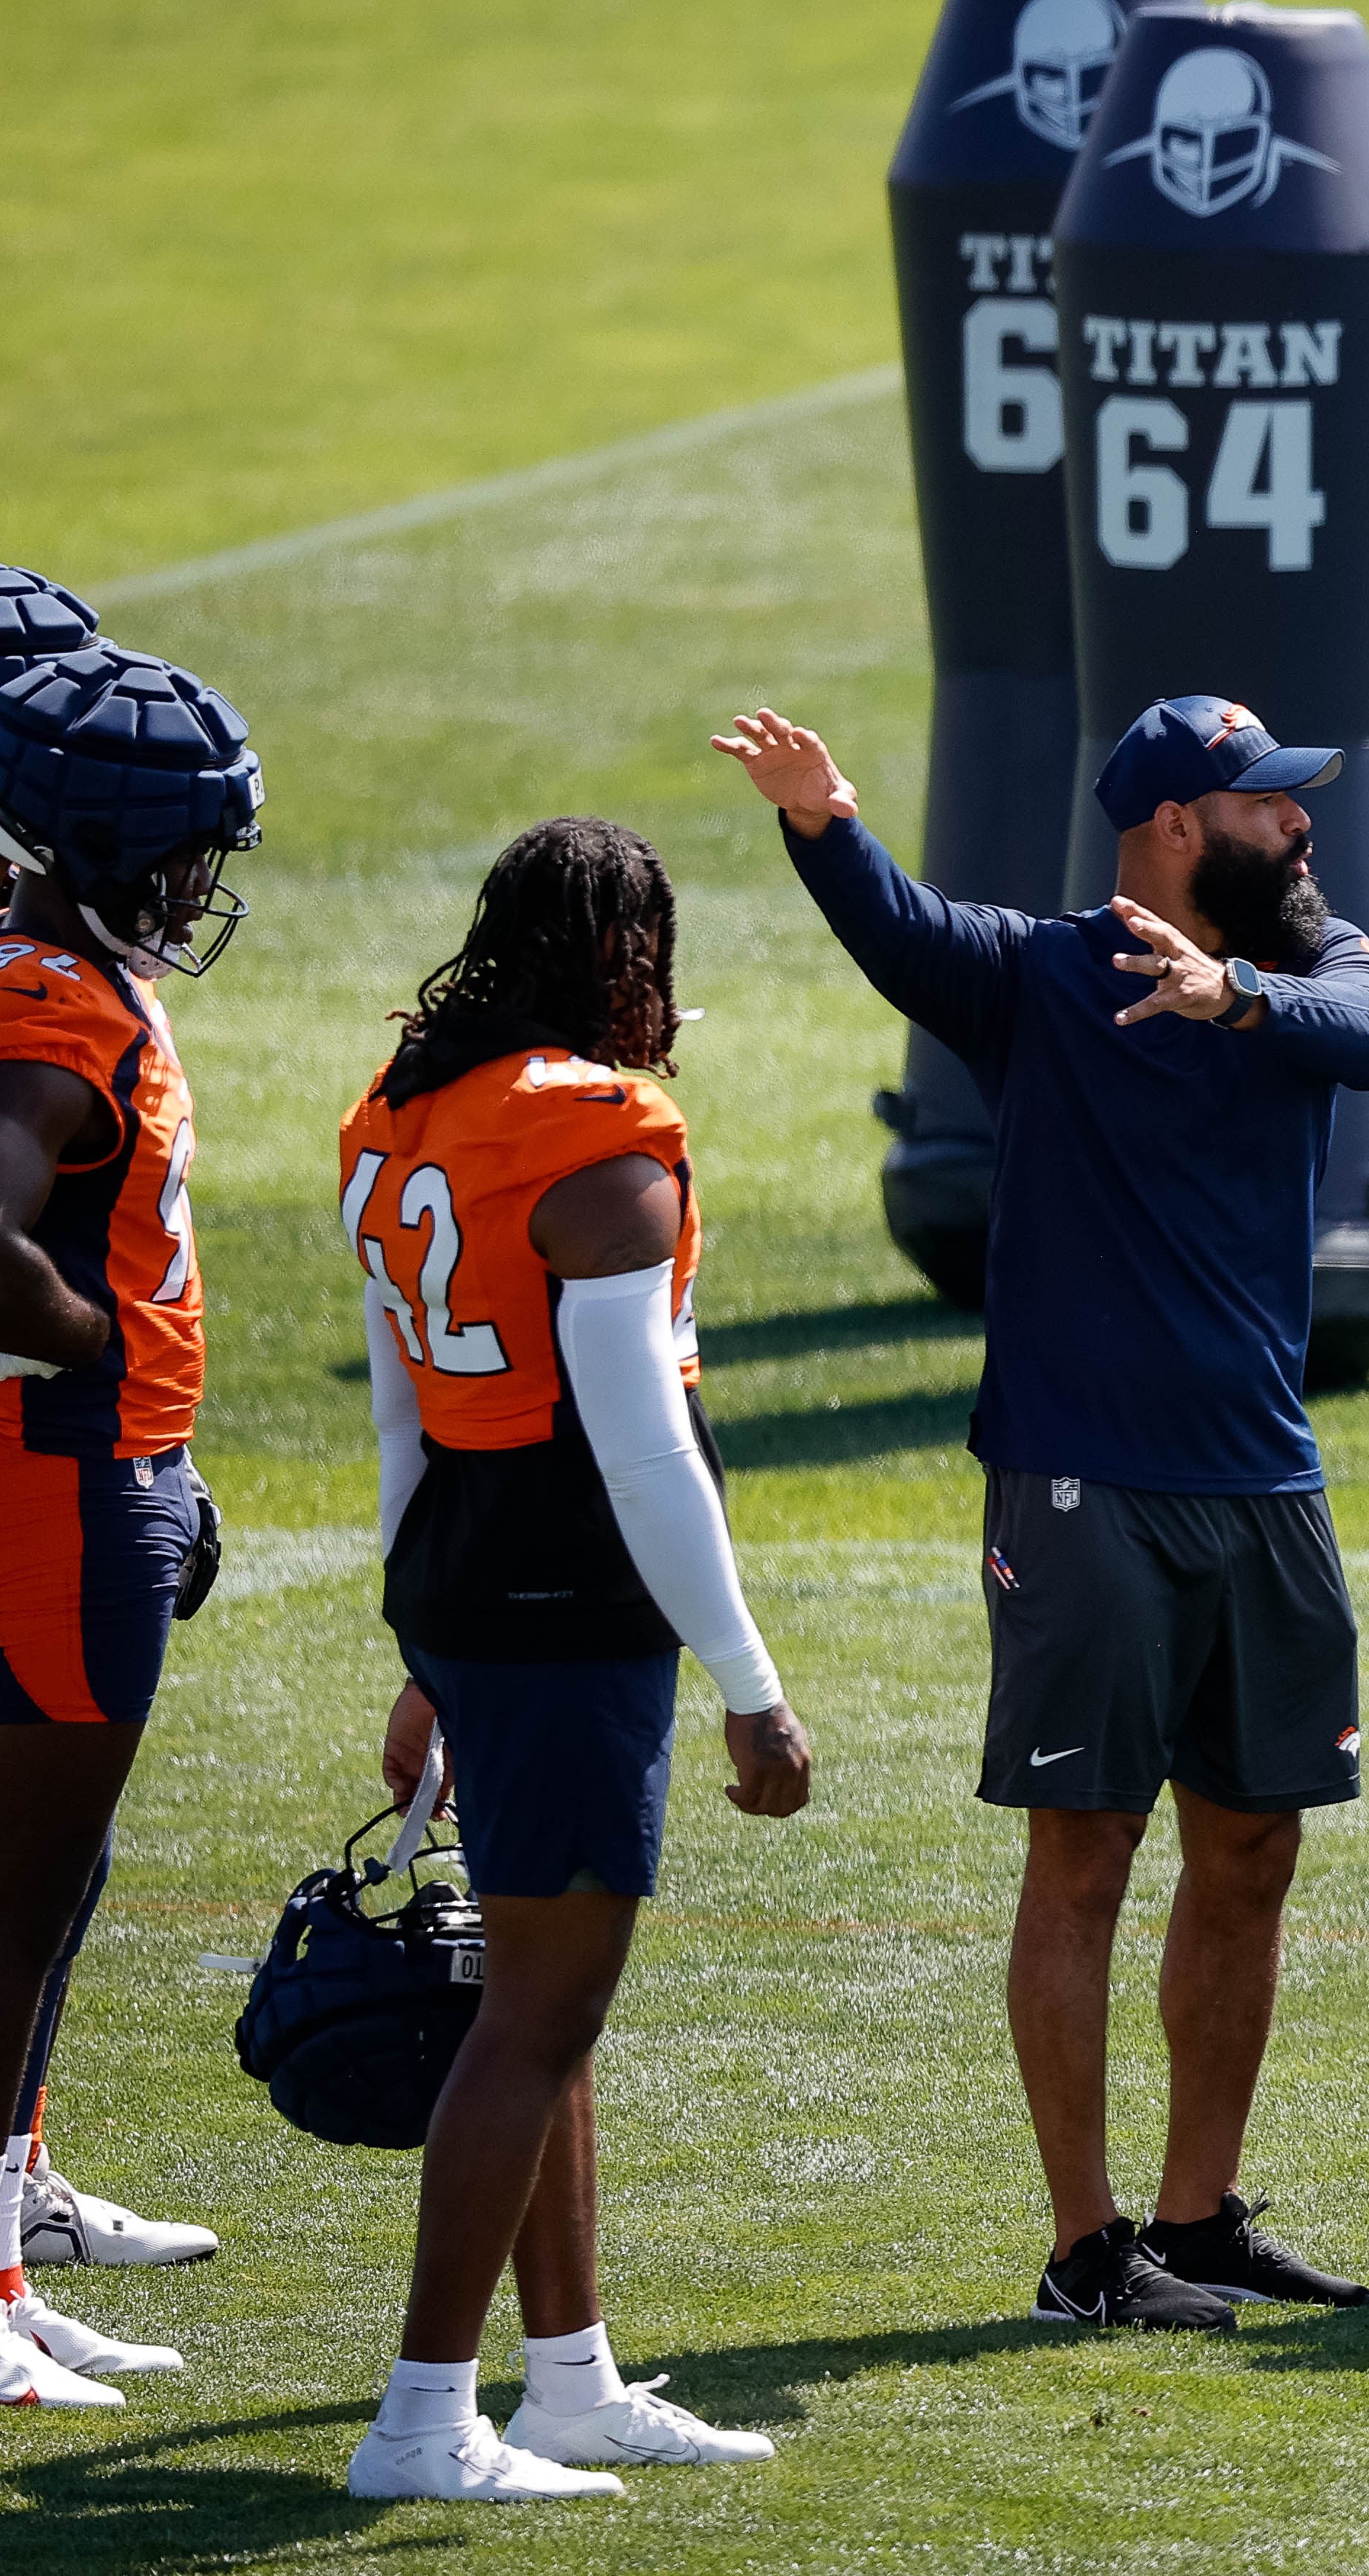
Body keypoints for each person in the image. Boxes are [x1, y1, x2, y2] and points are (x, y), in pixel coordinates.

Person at [719, 694, 1369, 2331]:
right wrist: (826, 824)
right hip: (1084, 1482)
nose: (1301, 826)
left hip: (1267, 1482)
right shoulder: (1038, 973)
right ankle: (1086, 2247)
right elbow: (896, 931)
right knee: (1083, 1857)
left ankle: (1201, 2212)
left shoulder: (1319, 964)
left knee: (1253, 1846)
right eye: (1266, 805)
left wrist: (1228, 991)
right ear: (1176, 823)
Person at [335, 819, 815, 2501]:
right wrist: (750, 1680)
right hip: (567, 1598)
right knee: (535, 2014)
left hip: (468, 1577)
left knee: (546, 2012)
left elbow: (403, 1414)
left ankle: (569, 2379)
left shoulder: (406, 1109)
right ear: (631, 957)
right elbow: (644, 1449)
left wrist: (425, 1648)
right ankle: (417, 2422)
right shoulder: (598, 1143)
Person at [0, 647, 253, 2405]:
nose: (203, 881)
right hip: (55, 1474)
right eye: (190, 847)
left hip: (38, 1467)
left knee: (24, 1886)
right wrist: (109, 1340)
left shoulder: (15, 949)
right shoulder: (43, 1005)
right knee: (15, 1894)